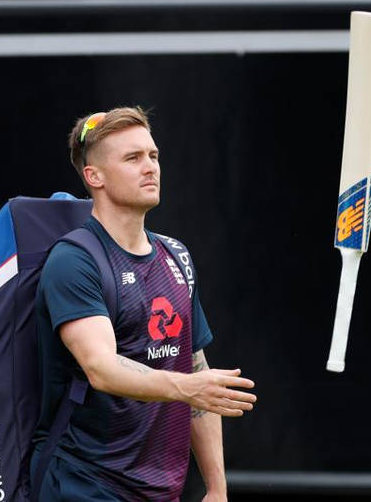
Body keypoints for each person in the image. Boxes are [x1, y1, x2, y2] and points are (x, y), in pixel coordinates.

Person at [30, 107, 257, 501]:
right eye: (132, 158)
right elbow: (100, 368)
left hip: (160, 489)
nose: (150, 167)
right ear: (93, 176)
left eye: (153, 156)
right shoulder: (75, 260)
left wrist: (217, 488)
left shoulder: (176, 257)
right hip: (85, 483)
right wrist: (188, 388)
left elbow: (194, 365)